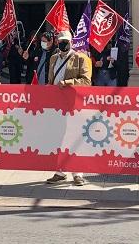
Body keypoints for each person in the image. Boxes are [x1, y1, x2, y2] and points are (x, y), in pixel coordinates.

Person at [45, 30, 92, 186]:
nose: (63, 44)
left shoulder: (81, 58)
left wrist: (67, 83)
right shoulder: (53, 58)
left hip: (74, 105)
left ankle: (78, 173)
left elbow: (86, 81)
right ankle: (60, 171)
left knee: (74, 138)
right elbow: (51, 79)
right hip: (57, 104)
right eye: (60, 41)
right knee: (59, 138)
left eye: (65, 41)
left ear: (71, 42)